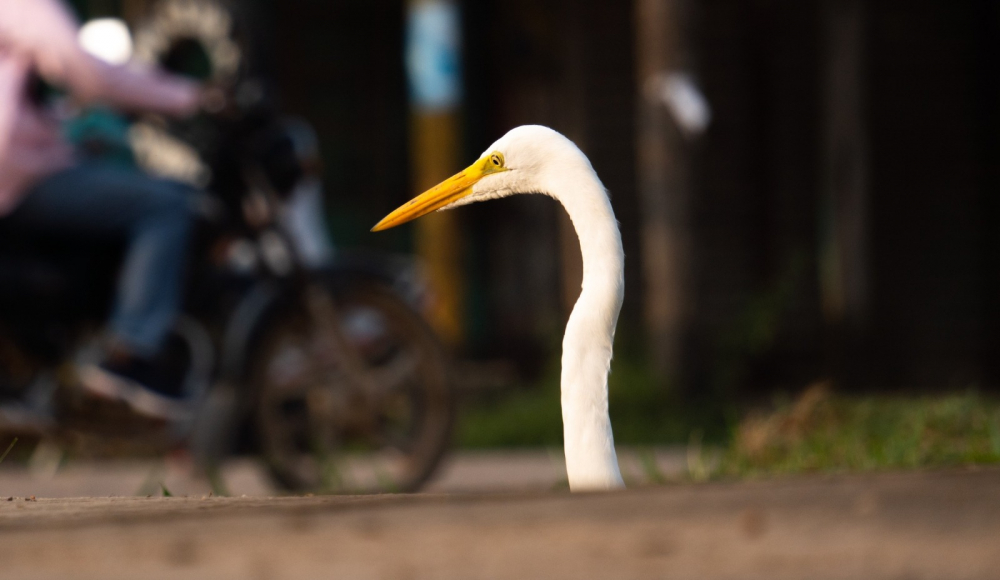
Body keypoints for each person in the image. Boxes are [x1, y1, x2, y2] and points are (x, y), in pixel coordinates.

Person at [0, 0, 208, 420]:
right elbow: (87, 72)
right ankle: (129, 354)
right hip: (15, 171)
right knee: (166, 202)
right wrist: (189, 96)